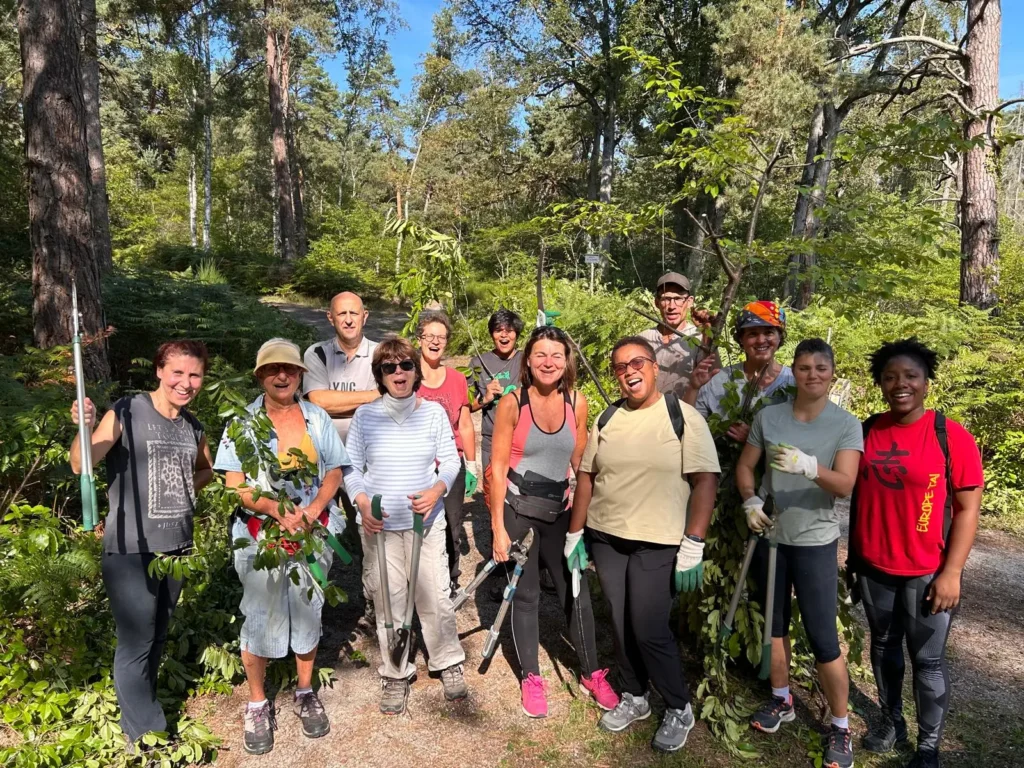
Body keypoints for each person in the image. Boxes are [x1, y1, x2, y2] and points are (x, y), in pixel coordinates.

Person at [568, 336, 720, 752]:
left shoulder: (683, 417)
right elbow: (587, 476)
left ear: (653, 367)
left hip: (659, 541)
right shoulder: (607, 418)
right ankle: (635, 696)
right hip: (608, 538)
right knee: (619, 621)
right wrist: (575, 533)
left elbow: (705, 479)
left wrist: (694, 543)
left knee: (650, 628)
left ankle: (678, 706)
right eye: (619, 366)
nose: (629, 371)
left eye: (637, 362)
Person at [69, 340, 214, 750]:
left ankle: (141, 709)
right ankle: (148, 737)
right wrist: (84, 427)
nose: (186, 383)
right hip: (131, 546)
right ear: (159, 371)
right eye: (178, 373)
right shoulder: (128, 411)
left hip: (177, 547)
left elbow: (205, 470)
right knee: (136, 640)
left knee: (159, 635)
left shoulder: (193, 426)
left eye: (195, 375)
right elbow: (83, 463)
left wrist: (187, 487)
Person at [849, 339, 983, 768]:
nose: (900, 384)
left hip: (928, 572)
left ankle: (929, 747)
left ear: (926, 382)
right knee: (885, 649)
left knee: (926, 661)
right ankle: (891, 722)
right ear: (880, 384)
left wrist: (953, 572)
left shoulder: (951, 436)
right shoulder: (866, 430)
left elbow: (967, 509)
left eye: (910, 376)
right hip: (874, 568)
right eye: (890, 377)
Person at [214, 338, 349, 755]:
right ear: (259, 375)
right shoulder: (242, 422)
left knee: (308, 609)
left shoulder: (316, 417)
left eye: (289, 369)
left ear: (300, 375)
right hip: (259, 533)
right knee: (259, 613)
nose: (282, 375)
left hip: (312, 528)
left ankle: (305, 692)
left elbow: (335, 471)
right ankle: (257, 702)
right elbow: (235, 484)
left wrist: (312, 511)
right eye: (273, 369)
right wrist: (276, 510)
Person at [734, 339, 863, 768]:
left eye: (820, 368)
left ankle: (841, 727)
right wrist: (750, 501)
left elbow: (845, 484)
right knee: (774, 625)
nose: (812, 375)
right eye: (804, 368)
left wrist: (810, 466)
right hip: (772, 536)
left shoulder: (845, 424)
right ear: (794, 371)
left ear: (832, 372)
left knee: (824, 638)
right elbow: (745, 466)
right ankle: (780, 699)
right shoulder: (770, 417)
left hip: (814, 540)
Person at [489, 325, 618, 719]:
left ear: (567, 362)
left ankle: (592, 671)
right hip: (518, 512)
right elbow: (495, 468)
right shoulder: (513, 403)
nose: (548, 362)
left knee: (575, 591)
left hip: (559, 515)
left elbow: (579, 464)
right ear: (528, 360)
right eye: (541, 355)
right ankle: (532, 676)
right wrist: (497, 527)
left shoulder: (576, 402)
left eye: (556, 356)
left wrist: (586, 518)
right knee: (526, 597)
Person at [344, 336, 468, 715]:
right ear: (380, 375)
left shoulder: (431, 413)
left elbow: (450, 461)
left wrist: (436, 491)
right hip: (381, 527)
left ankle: (446, 661)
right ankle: (396, 670)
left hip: (424, 525)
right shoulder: (366, 416)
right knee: (388, 599)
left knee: (436, 596)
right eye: (389, 367)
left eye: (405, 366)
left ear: (416, 371)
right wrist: (363, 504)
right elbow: (351, 469)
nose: (398, 373)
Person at [415, 310, 478, 595]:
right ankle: (415, 580)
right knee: (415, 523)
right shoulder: (406, 374)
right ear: (419, 339)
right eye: (430, 336)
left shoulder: (456, 379)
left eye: (441, 337)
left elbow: (464, 423)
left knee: (452, 525)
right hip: (415, 464)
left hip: (450, 465)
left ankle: (450, 580)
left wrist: (472, 466)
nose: (435, 342)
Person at [687, 300, 795, 443]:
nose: (761, 340)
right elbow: (690, 426)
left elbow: (802, 438)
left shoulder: (793, 383)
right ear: (741, 339)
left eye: (769, 332)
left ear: (779, 337)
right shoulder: (721, 379)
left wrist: (755, 440)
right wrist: (693, 388)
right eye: (752, 334)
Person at [302, 291, 380, 442]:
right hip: (325, 449)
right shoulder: (317, 353)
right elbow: (319, 401)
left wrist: (335, 402)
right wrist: (374, 395)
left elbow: (388, 405)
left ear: (365, 316)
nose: (349, 320)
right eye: (342, 314)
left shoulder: (382, 353)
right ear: (330, 318)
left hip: (370, 448)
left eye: (354, 313)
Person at [469, 308, 524, 499]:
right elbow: (466, 407)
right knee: (493, 493)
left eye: (509, 330)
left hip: (521, 440)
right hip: (491, 441)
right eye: (498, 330)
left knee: (520, 494)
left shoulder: (526, 360)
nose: (504, 335)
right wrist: (486, 398)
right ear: (492, 334)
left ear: (516, 333)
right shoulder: (478, 362)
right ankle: (496, 529)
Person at [639, 272, 704, 400]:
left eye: (678, 299)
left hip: (687, 414)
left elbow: (712, 378)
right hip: (649, 413)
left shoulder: (700, 339)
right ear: (657, 303)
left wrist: (708, 334)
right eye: (666, 299)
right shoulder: (643, 339)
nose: (672, 306)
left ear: (689, 302)